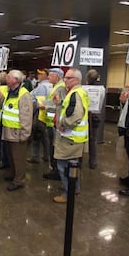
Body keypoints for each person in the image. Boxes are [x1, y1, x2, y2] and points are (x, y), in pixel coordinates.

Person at [52, 68, 89, 203]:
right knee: (72, 167)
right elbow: (70, 110)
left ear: (76, 80)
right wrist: (60, 104)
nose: (64, 80)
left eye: (68, 78)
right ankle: (75, 188)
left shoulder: (75, 94)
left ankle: (69, 194)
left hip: (70, 138)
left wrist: (63, 124)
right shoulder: (78, 92)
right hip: (75, 138)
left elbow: (75, 117)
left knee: (64, 167)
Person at [0, 70, 33, 191]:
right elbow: (2, 108)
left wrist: (25, 134)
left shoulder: (23, 94)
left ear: (15, 80)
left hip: (17, 132)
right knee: (11, 156)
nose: (6, 78)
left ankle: (19, 180)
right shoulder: (9, 91)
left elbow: (26, 116)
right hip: (8, 130)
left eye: (9, 76)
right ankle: (13, 174)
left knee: (18, 158)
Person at [42, 68, 67, 180]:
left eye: (51, 75)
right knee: (53, 146)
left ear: (57, 76)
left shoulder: (60, 88)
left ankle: (56, 170)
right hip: (52, 121)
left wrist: (44, 105)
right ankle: (55, 169)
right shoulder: (56, 87)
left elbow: (59, 105)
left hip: (54, 122)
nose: (48, 77)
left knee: (55, 147)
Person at [27, 68, 52, 164]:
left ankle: (35, 156)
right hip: (49, 114)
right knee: (46, 136)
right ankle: (47, 155)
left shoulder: (42, 87)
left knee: (36, 136)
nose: (38, 76)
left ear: (45, 75)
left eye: (41, 74)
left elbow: (39, 102)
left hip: (40, 114)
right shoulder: (52, 86)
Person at [85, 69, 105, 169]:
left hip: (86, 116)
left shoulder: (83, 89)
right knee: (93, 140)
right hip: (96, 116)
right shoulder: (102, 89)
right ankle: (93, 162)